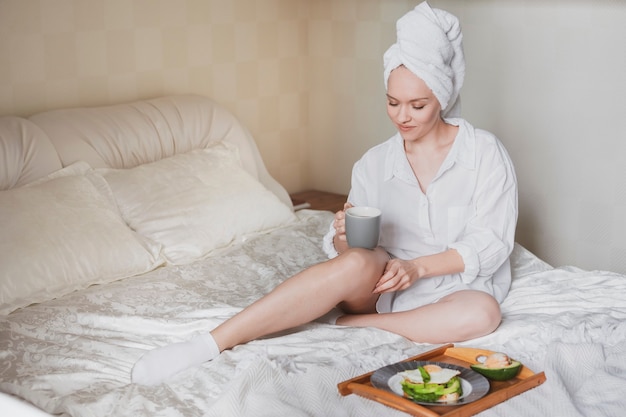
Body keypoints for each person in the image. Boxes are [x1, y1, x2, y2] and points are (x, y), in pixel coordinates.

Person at [131, 1, 518, 386]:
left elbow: (491, 242)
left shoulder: (483, 152)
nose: (403, 116)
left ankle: (353, 325)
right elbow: (358, 255)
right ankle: (210, 343)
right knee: (355, 263)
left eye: (418, 105)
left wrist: (418, 268)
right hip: (383, 286)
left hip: (458, 288)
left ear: (442, 98)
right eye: (393, 102)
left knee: (483, 312)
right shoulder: (374, 163)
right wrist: (342, 238)